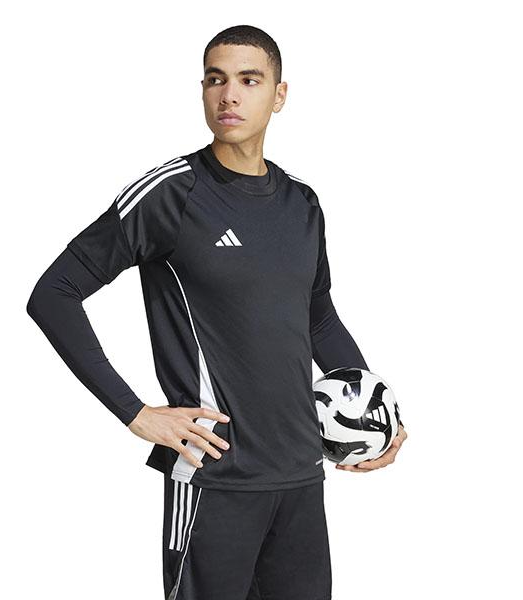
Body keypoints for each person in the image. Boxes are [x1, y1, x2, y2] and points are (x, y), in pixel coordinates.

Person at [26, 24, 407, 600]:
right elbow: (54, 293)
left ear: (279, 95)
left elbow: (318, 317)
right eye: (215, 80)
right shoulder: (171, 194)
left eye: (249, 80)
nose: (229, 95)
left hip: (302, 475)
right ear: (203, 90)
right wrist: (135, 413)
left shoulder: (302, 203)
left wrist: (376, 413)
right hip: (214, 479)